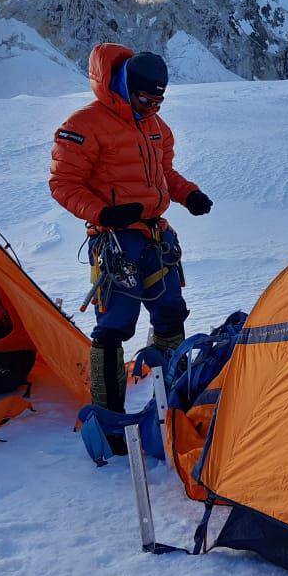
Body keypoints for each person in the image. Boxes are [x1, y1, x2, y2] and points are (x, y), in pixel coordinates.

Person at [50, 44, 212, 448]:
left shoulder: (155, 124)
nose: (151, 107)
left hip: (156, 236)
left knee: (171, 313)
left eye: (158, 100)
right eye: (144, 99)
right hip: (116, 241)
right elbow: (63, 184)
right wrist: (104, 213)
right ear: (123, 86)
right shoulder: (83, 125)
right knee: (113, 328)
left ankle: (170, 402)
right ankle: (110, 419)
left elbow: (164, 173)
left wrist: (188, 194)